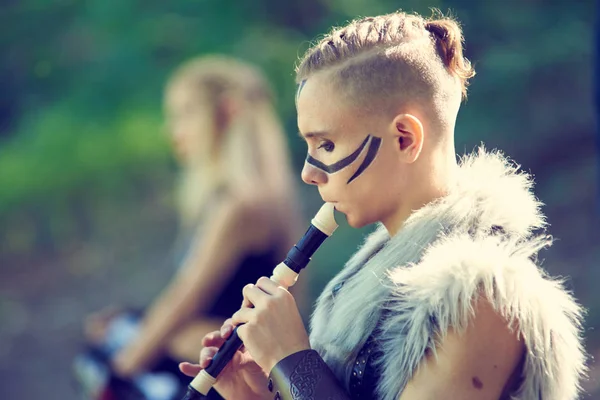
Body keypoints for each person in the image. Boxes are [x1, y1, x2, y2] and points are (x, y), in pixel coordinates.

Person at [180, 11, 588, 400]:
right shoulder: (369, 281)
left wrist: (291, 362)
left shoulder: (481, 297)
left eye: (326, 144)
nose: (309, 172)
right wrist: (260, 391)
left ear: (405, 138)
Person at [76, 56, 303, 400]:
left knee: (101, 355)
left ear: (225, 114)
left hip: (216, 373)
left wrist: (119, 371)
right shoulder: (247, 197)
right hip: (206, 358)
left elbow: (186, 298)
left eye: (185, 114)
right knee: (110, 328)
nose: (173, 130)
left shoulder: (240, 205)